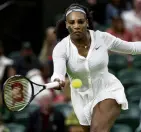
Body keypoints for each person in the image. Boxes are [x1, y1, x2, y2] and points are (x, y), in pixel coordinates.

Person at [51, 3, 141, 132]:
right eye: (72, 22)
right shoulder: (61, 48)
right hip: (81, 98)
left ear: (87, 22)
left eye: (80, 21)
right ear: (67, 24)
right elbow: (58, 72)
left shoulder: (101, 38)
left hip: (107, 90)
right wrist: (57, 79)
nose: (76, 26)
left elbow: (131, 48)